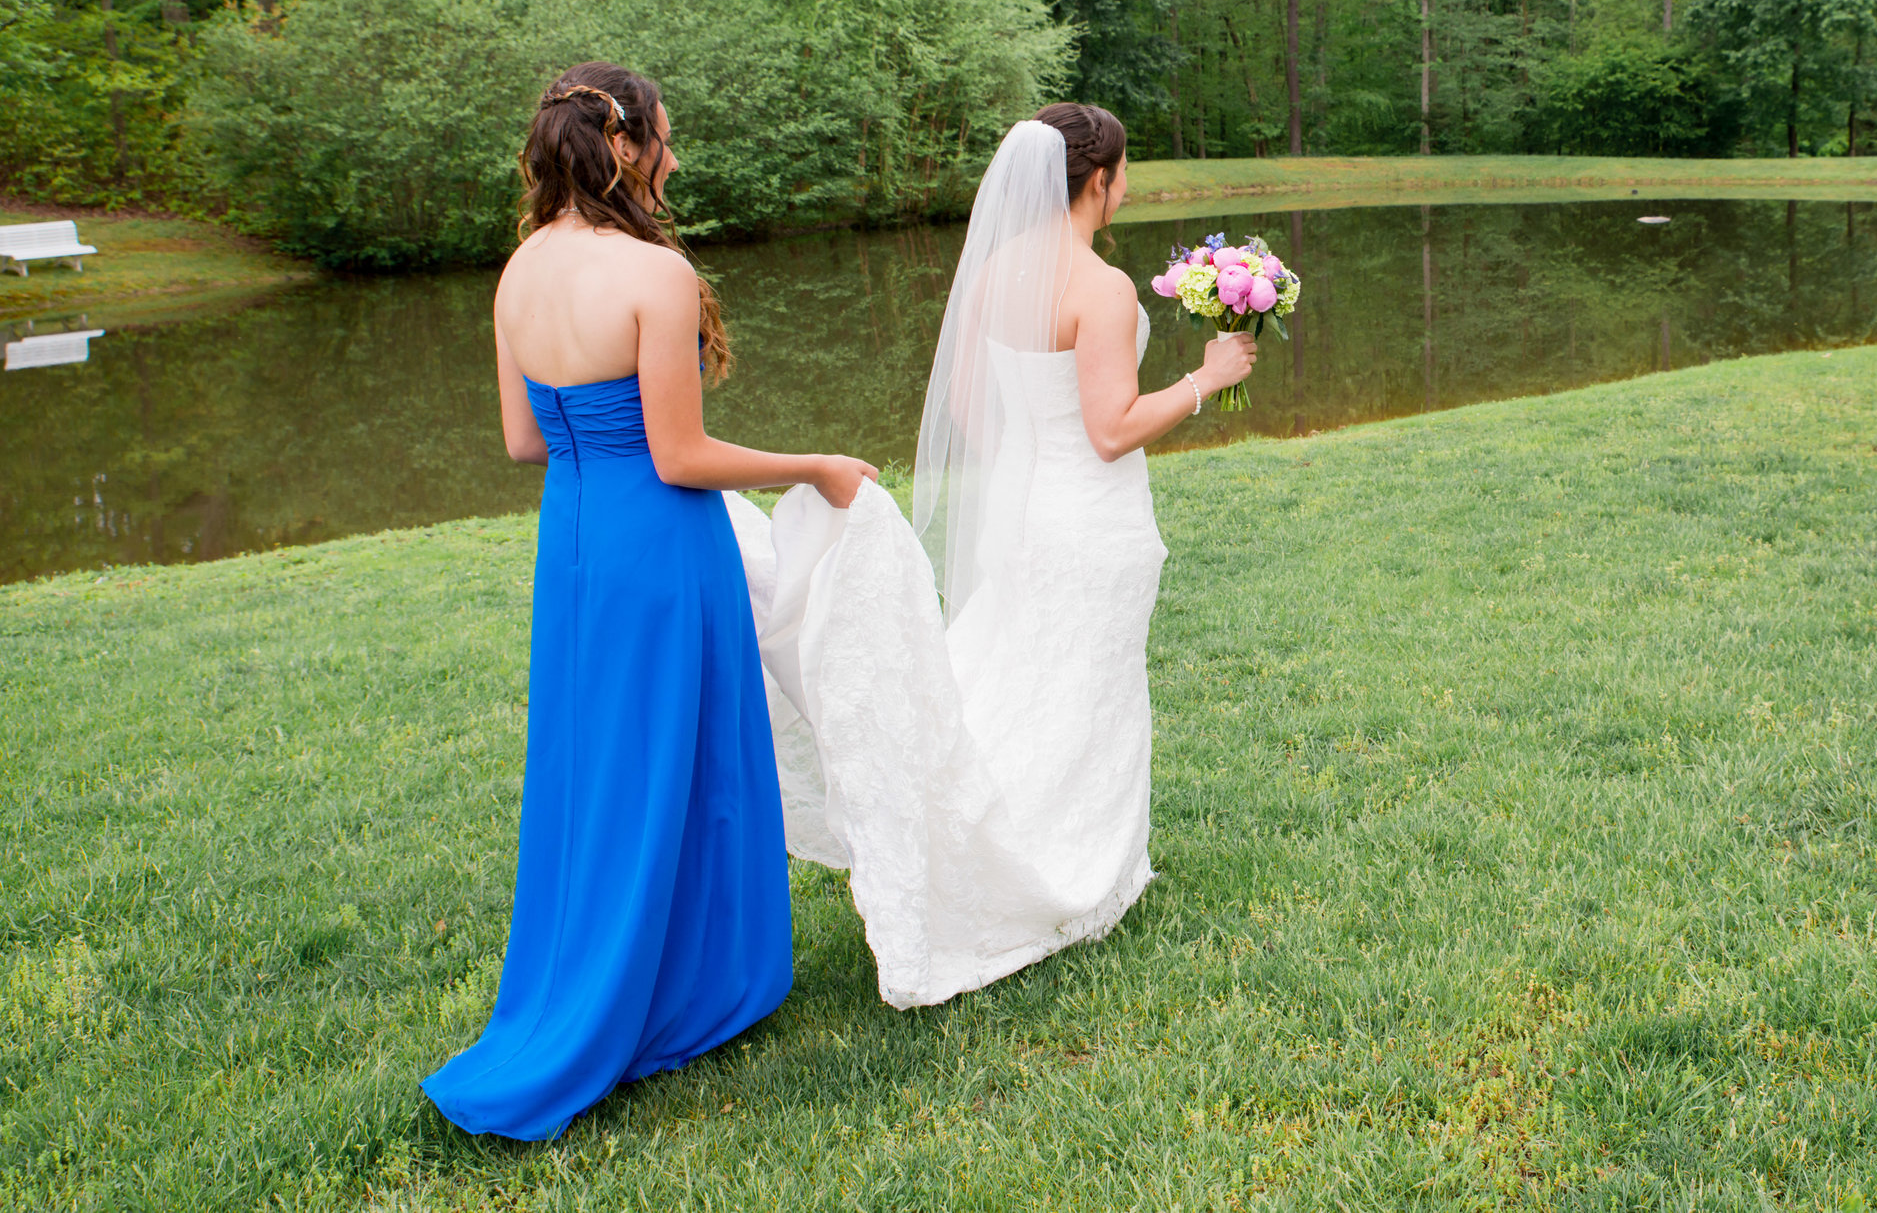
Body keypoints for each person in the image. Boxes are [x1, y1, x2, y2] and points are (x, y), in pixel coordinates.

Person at [424, 62, 878, 1141]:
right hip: (661, 543)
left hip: (575, 543)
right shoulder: (651, 275)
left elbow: (524, 440)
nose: (675, 157)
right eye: (667, 138)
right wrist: (814, 465)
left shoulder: (520, 269)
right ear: (627, 149)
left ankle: (613, 978)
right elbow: (679, 455)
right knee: (686, 753)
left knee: (602, 767)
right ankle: (677, 989)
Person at [724, 103, 1256, 1008]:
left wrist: (1025, 461)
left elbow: (970, 409)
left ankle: (990, 851)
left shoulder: (996, 269)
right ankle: (1072, 878)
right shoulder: (1102, 286)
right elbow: (1111, 430)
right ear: (1098, 182)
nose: (1127, 187)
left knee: (1021, 677)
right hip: (1089, 524)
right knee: (1083, 686)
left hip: (1023, 516)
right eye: (1123, 172)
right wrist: (1204, 380)